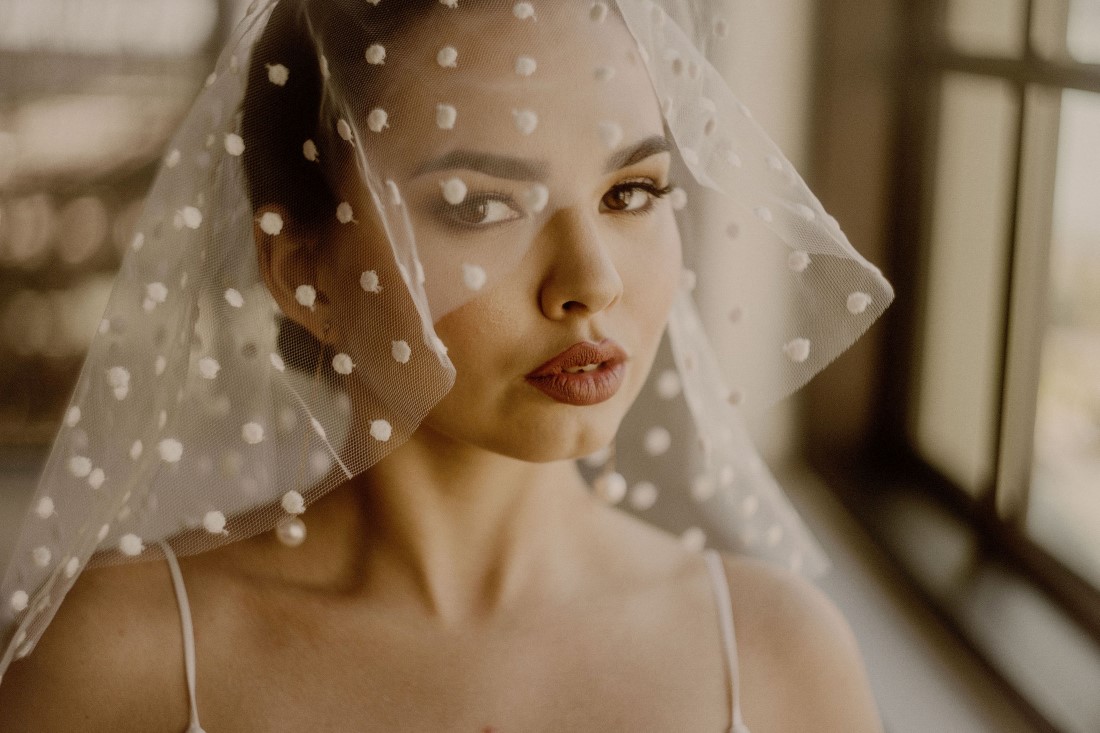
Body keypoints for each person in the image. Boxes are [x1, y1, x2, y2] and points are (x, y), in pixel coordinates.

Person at [0, 1, 891, 730]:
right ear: (304, 270)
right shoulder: (122, 661)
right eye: (479, 206)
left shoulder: (780, 663)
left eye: (632, 192)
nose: (592, 282)